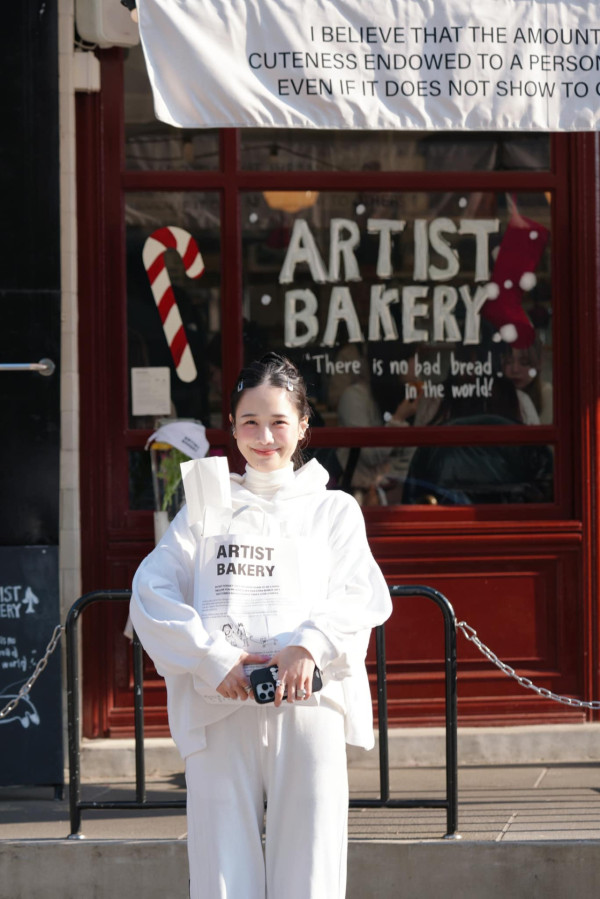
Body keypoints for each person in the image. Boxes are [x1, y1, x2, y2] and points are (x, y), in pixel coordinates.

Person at [130, 352, 392, 899]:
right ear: (231, 426)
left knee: (312, 862)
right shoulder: (205, 510)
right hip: (221, 703)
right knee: (221, 867)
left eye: (278, 421)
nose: (264, 436)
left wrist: (309, 646)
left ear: (303, 424)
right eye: (250, 421)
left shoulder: (334, 510)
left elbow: (360, 592)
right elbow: (151, 591)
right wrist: (211, 657)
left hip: (307, 703)